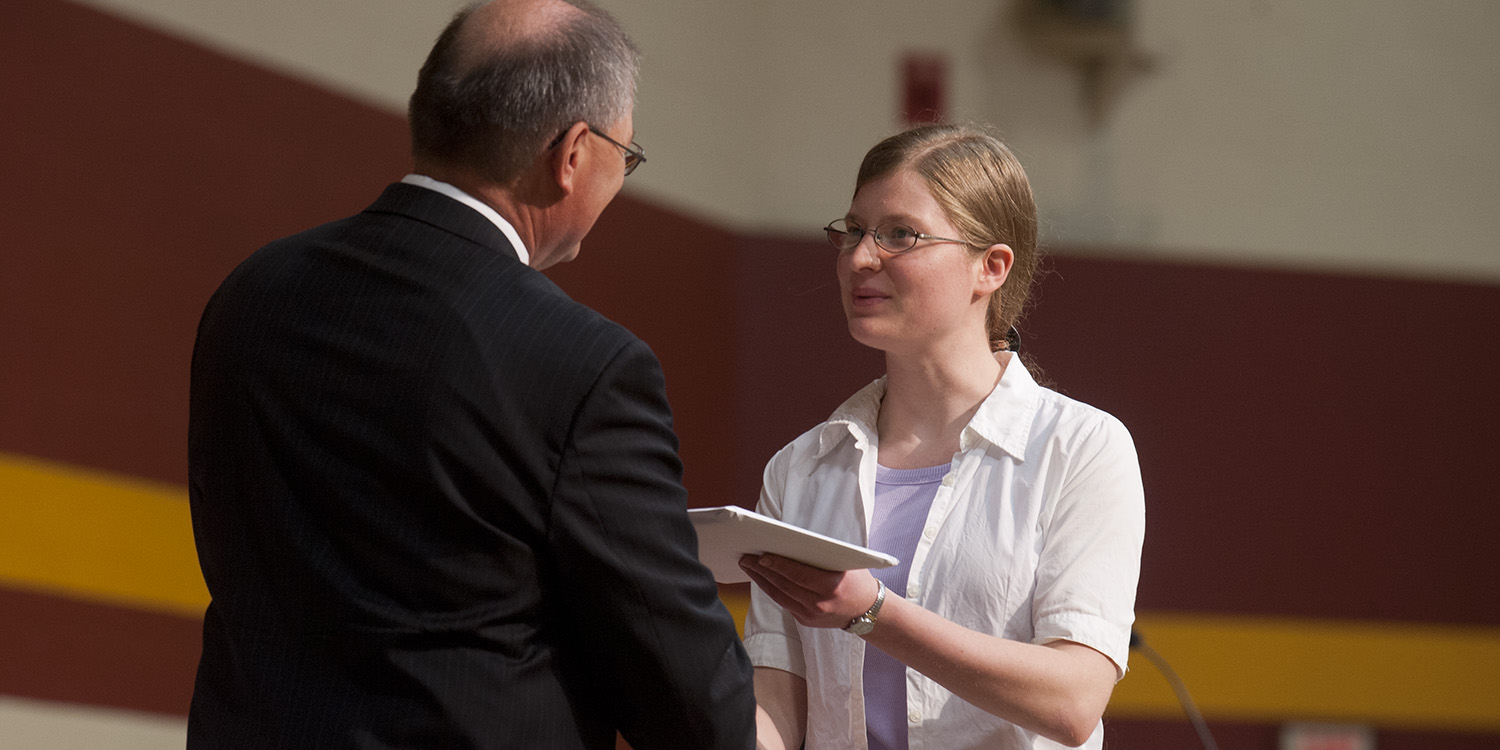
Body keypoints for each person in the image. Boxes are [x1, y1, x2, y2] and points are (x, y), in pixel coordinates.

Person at [185, 1, 755, 748]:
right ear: (574, 153)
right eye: (629, 150)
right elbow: (681, 688)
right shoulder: (583, 363)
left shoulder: (252, 293)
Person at [740, 123, 1145, 750]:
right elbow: (777, 708)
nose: (859, 257)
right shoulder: (801, 468)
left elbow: (1073, 701)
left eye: (900, 233)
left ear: (991, 266)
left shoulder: (1081, 448)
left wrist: (874, 612)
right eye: (852, 230)